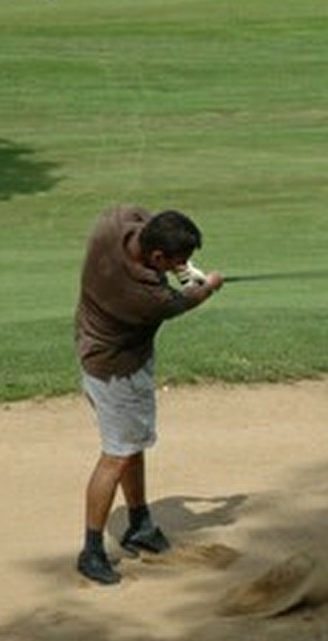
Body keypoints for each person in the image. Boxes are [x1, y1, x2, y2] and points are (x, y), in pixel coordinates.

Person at [74, 206, 224, 585]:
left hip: (97, 349)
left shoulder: (112, 226)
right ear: (157, 258)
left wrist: (182, 265)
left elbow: (142, 215)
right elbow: (182, 301)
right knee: (118, 454)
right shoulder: (144, 295)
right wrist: (207, 285)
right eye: (178, 260)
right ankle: (91, 551)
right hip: (116, 371)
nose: (184, 265)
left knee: (132, 445)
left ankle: (139, 523)